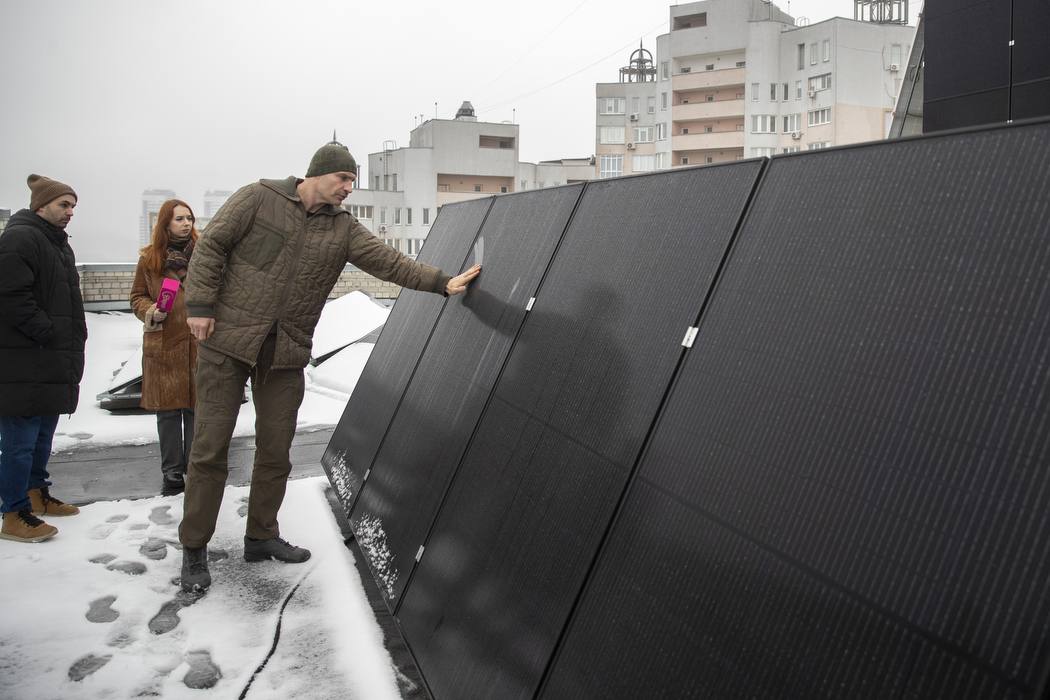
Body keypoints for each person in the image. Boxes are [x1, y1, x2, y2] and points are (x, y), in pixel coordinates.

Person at [178, 140, 481, 592]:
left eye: (353, 181)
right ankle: (194, 550)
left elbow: (388, 262)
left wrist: (441, 282)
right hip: (227, 343)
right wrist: (199, 305)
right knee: (209, 449)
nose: (348, 189)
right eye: (343, 179)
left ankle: (261, 536)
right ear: (317, 173)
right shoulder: (258, 198)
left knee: (276, 449)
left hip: (285, 352)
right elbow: (211, 247)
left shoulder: (343, 229)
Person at [0, 174, 86, 543]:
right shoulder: (20, 238)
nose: (69, 213)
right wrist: (46, 330)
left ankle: (37, 493)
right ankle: (14, 512)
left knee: (41, 435)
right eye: (63, 205)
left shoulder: (56, 243)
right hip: (24, 359)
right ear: (41, 205)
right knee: (19, 440)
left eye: (72, 207)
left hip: (48, 359)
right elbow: (11, 295)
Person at [130, 199, 200, 496]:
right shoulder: (150, 259)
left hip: (199, 342)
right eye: (179, 219)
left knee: (198, 409)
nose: (186, 224)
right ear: (165, 224)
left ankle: (197, 469)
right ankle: (172, 472)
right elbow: (136, 297)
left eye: (190, 218)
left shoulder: (205, 255)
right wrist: (150, 311)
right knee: (169, 412)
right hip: (165, 343)